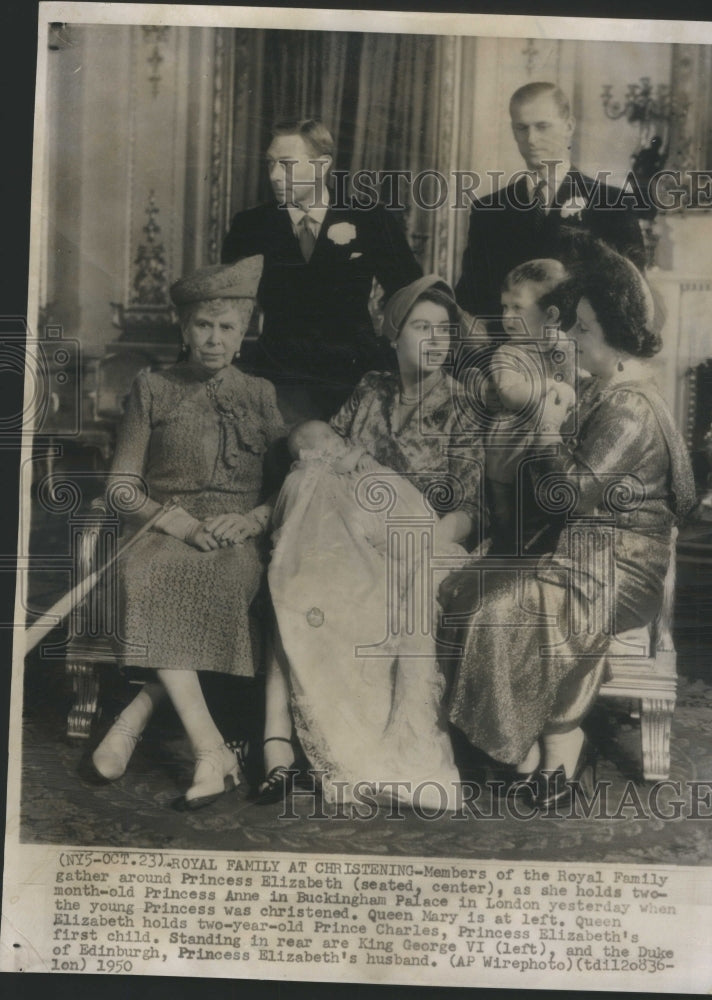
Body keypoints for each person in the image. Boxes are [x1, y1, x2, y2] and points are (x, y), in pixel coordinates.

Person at [440, 247, 695, 810]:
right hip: (584, 551)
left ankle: (551, 750)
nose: (572, 338)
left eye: (583, 328)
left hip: (619, 567)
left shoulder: (630, 406)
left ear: (616, 332)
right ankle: (532, 753)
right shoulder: (609, 389)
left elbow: (570, 492)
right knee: (467, 590)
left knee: (508, 606)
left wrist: (551, 427)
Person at [258, 275, 484, 811]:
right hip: (349, 533)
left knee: (349, 578)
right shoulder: (370, 389)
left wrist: (415, 541)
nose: (435, 340)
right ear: (393, 333)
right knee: (306, 569)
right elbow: (322, 460)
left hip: (423, 538)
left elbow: (469, 510)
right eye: (421, 327)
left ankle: (367, 752)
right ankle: (279, 745)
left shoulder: (464, 406)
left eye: (444, 331)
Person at [89, 255, 288, 809]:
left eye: (227, 327)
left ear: (245, 332)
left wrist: (252, 520)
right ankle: (211, 749)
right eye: (203, 325)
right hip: (161, 531)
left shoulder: (261, 395)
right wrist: (179, 522)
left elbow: (290, 487)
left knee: (220, 586)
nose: (214, 339)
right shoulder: (151, 388)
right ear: (184, 328)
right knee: (152, 575)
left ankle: (132, 719)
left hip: (234, 541)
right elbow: (122, 487)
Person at [222, 118, 422, 428]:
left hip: (354, 379)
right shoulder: (250, 226)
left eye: (286, 164)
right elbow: (226, 304)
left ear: (322, 165)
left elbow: (413, 296)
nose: (274, 175)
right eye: (270, 164)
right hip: (278, 379)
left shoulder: (371, 219)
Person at [455, 82, 646, 336]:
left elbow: (631, 298)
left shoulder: (613, 204)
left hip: (582, 359)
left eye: (542, 126)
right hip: (508, 359)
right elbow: (471, 298)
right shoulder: (488, 211)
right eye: (521, 128)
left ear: (568, 126)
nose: (531, 139)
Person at [483, 258, 576, 550]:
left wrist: (571, 383)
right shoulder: (506, 354)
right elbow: (510, 393)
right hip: (506, 456)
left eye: (517, 308)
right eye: (504, 307)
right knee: (505, 524)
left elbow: (577, 387)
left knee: (543, 525)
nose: (507, 317)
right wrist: (550, 386)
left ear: (550, 316)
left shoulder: (565, 347)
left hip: (545, 455)